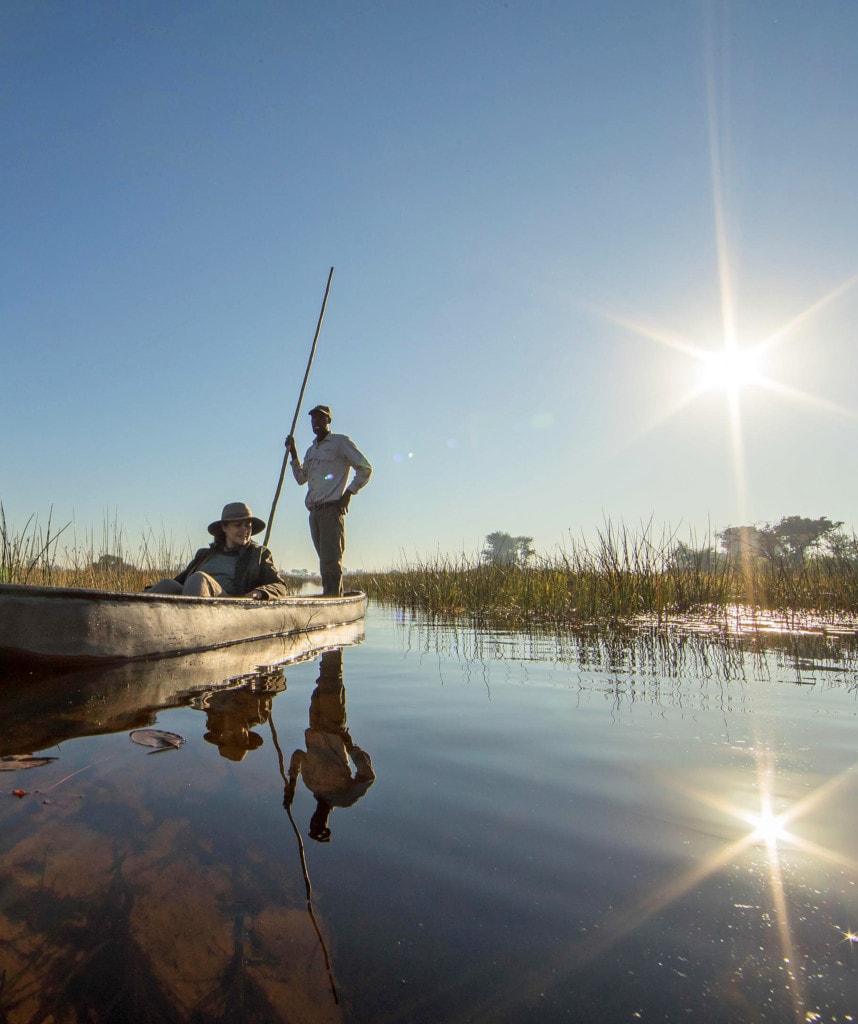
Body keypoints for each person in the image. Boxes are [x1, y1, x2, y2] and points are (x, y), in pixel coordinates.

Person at [283, 648, 375, 842]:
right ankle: (334, 643)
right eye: (319, 824)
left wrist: (292, 783)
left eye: (313, 823)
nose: (317, 819)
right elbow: (367, 776)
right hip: (333, 726)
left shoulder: (311, 783)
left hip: (314, 724)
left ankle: (330, 643)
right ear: (325, 823)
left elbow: (299, 755)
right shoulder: (344, 798)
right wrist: (351, 747)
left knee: (323, 680)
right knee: (331, 679)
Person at [285, 405, 372, 597]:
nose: (315, 422)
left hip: (331, 509)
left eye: (320, 418)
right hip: (314, 512)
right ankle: (331, 596)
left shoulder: (340, 442)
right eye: (313, 419)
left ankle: (333, 599)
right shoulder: (311, 451)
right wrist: (293, 453)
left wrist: (348, 493)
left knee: (331, 560)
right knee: (324, 560)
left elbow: (365, 469)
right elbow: (301, 478)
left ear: (328, 421)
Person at [147, 502, 288, 599]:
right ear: (224, 527)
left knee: (198, 579)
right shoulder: (205, 554)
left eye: (248, 525)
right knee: (167, 584)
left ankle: (189, 628)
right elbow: (179, 582)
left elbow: (280, 586)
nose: (244, 530)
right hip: (192, 600)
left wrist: (260, 592)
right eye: (238, 525)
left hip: (226, 607)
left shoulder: (258, 554)